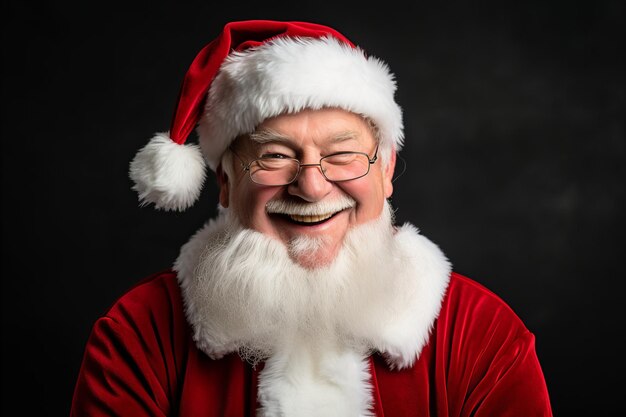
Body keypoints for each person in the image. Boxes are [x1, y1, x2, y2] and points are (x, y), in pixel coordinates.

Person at [70, 20, 553, 416]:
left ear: (385, 172)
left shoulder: (483, 335)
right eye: (275, 156)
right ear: (225, 181)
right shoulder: (138, 334)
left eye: (342, 154)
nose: (312, 187)